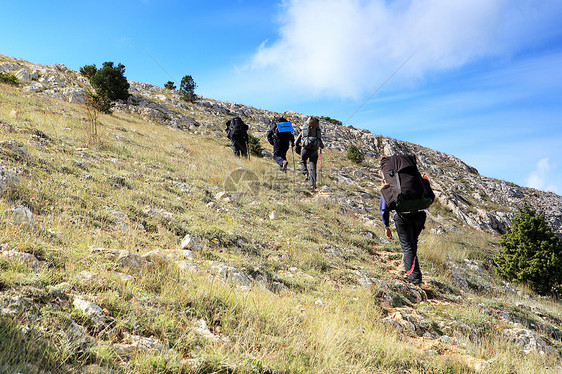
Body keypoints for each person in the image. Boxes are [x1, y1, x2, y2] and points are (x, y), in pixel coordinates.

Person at [380, 178, 427, 285]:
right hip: (420, 214)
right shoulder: (411, 179)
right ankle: (408, 268)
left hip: (402, 216)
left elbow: (384, 208)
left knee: (408, 247)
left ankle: (414, 278)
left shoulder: (389, 184)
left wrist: (386, 226)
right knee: (412, 243)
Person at [295, 116, 324, 191]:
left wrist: (299, 145)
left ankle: (306, 174)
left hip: (305, 149)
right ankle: (313, 185)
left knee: (302, 161)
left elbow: (296, 142)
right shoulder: (317, 130)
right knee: (313, 167)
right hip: (314, 150)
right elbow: (322, 145)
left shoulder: (304, 130)